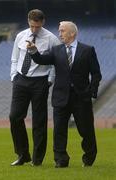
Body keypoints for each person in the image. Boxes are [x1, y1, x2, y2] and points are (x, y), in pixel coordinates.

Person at [27, 21, 102, 168]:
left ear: (72, 33)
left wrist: (91, 91)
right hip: (61, 97)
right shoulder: (56, 50)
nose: (59, 33)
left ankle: (89, 157)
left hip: (81, 97)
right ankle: (61, 160)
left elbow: (96, 73)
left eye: (62, 31)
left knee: (86, 130)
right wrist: (34, 51)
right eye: (59, 30)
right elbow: (42, 60)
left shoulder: (87, 50)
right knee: (59, 130)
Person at [9, 9, 60, 166]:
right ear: (28, 21)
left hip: (40, 82)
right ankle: (23, 154)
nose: (34, 29)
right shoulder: (20, 35)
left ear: (43, 22)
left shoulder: (52, 39)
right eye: (32, 26)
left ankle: (37, 159)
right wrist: (14, 76)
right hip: (21, 80)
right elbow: (15, 58)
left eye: (37, 26)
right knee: (14, 116)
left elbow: (55, 63)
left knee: (39, 121)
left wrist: (49, 80)